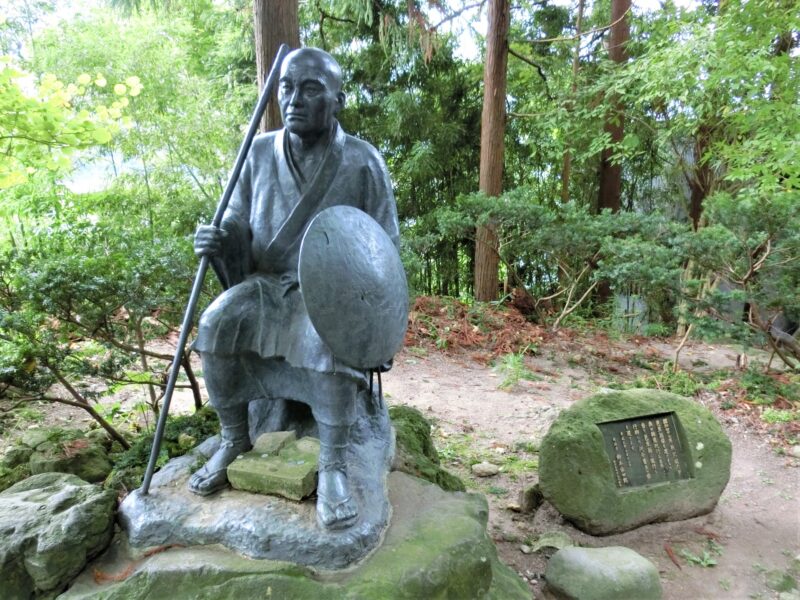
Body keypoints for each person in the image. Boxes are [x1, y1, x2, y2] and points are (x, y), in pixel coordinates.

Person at [189, 47, 400, 530]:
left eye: (311, 89)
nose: (294, 98)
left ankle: (334, 468)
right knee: (216, 323)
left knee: (326, 340)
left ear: (337, 100)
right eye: (286, 87)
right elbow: (239, 220)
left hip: (329, 295)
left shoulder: (363, 161)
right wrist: (220, 239)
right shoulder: (259, 152)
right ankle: (233, 439)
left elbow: (384, 249)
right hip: (266, 286)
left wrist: (374, 321)